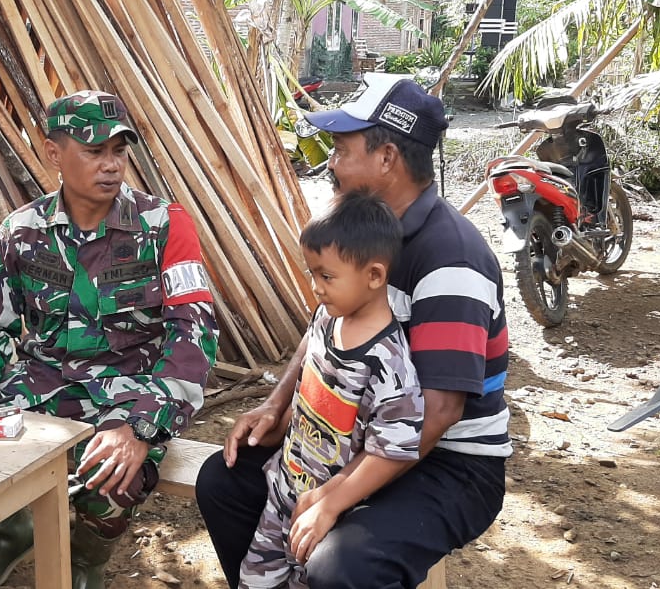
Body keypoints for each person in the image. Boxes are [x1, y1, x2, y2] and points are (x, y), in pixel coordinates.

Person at [197, 75, 512, 589]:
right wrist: (276, 406)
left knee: (341, 566)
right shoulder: (359, 234)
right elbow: (325, 326)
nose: (330, 163)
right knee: (224, 482)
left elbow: (439, 413)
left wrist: (336, 494)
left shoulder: (451, 260)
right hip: (350, 434)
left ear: (387, 158)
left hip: (449, 463)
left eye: (342, 150)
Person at [0, 90, 219, 589]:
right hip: (41, 386)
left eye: (118, 151)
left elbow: (194, 331)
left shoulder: (164, 225)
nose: (111, 165)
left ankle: (86, 562)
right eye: (94, 151)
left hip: (129, 392)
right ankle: (10, 535)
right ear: (53, 153)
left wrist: (141, 425)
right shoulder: (21, 230)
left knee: (111, 481)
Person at [240, 193, 422, 588]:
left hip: (327, 517)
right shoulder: (325, 320)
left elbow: (391, 453)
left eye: (326, 276)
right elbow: (309, 394)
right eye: (312, 274)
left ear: (374, 276)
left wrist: (330, 504)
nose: (315, 288)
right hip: (284, 492)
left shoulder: (389, 366)